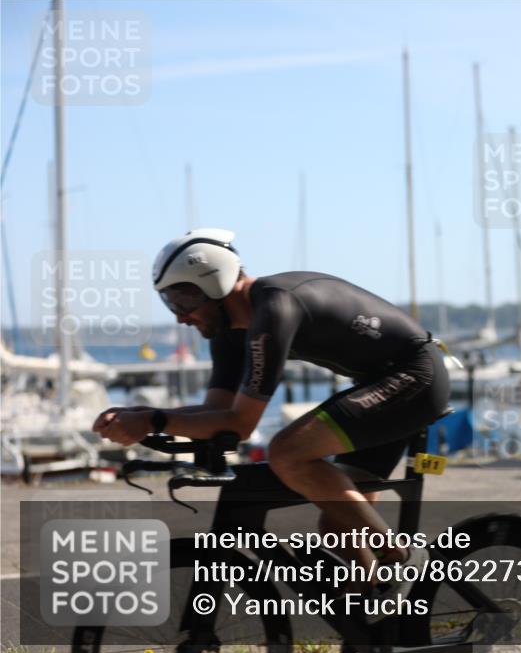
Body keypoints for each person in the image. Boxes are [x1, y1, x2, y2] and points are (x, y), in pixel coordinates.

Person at [92, 228, 448, 600]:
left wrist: (153, 421)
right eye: (170, 303)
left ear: (214, 284)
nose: (180, 317)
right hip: (382, 383)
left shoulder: (275, 308)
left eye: (182, 301)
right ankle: (379, 635)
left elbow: (241, 425)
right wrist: (147, 414)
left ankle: (403, 560)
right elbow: (218, 411)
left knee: (286, 452)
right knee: (339, 528)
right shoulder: (230, 333)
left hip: (416, 376)